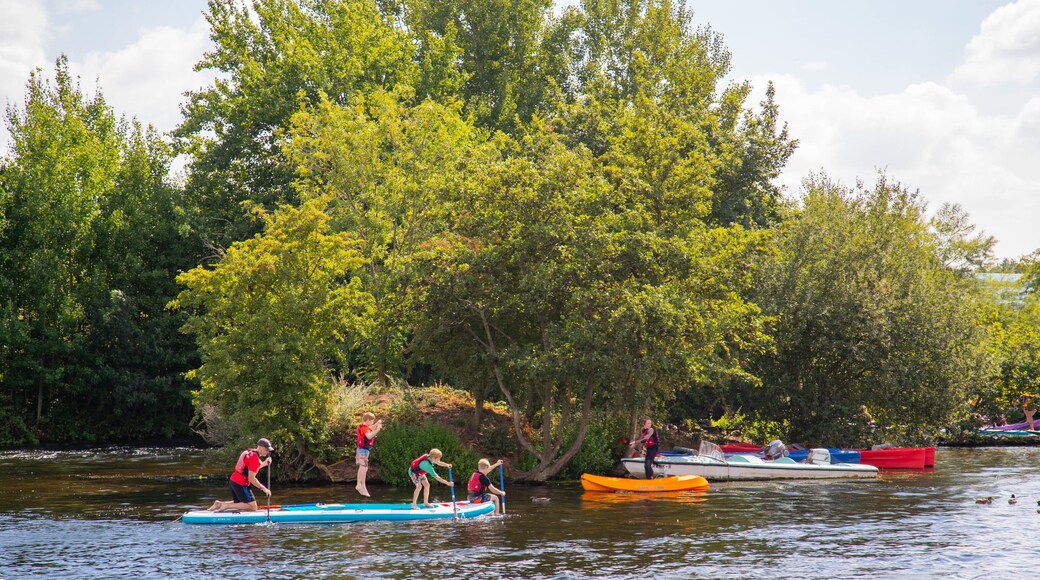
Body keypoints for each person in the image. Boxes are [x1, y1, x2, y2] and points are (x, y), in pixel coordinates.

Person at [206, 438, 274, 512]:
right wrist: (264, 489)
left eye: (268, 450)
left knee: (239, 503)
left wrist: (265, 463)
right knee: (253, 507)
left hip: (234, 480)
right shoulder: (254, 458)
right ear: (260, 447)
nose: (268, 452)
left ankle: (218, 504)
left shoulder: (251, 452)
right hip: (241, 483)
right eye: (266, 449)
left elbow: (253, 467)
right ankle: (226, 506)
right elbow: (251, 478)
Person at [355, 412, 383, 497]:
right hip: (362, 450)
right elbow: (369, 436)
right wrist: (377, 429)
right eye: (371, 421)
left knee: (365, 468)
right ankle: (359, 485)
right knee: (363, 467)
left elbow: (369, 428)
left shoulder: (364, 427)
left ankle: (363, 485)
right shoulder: (364, 428)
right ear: (367, 420)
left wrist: (376, 424)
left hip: (364, 450)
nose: (371, 423)